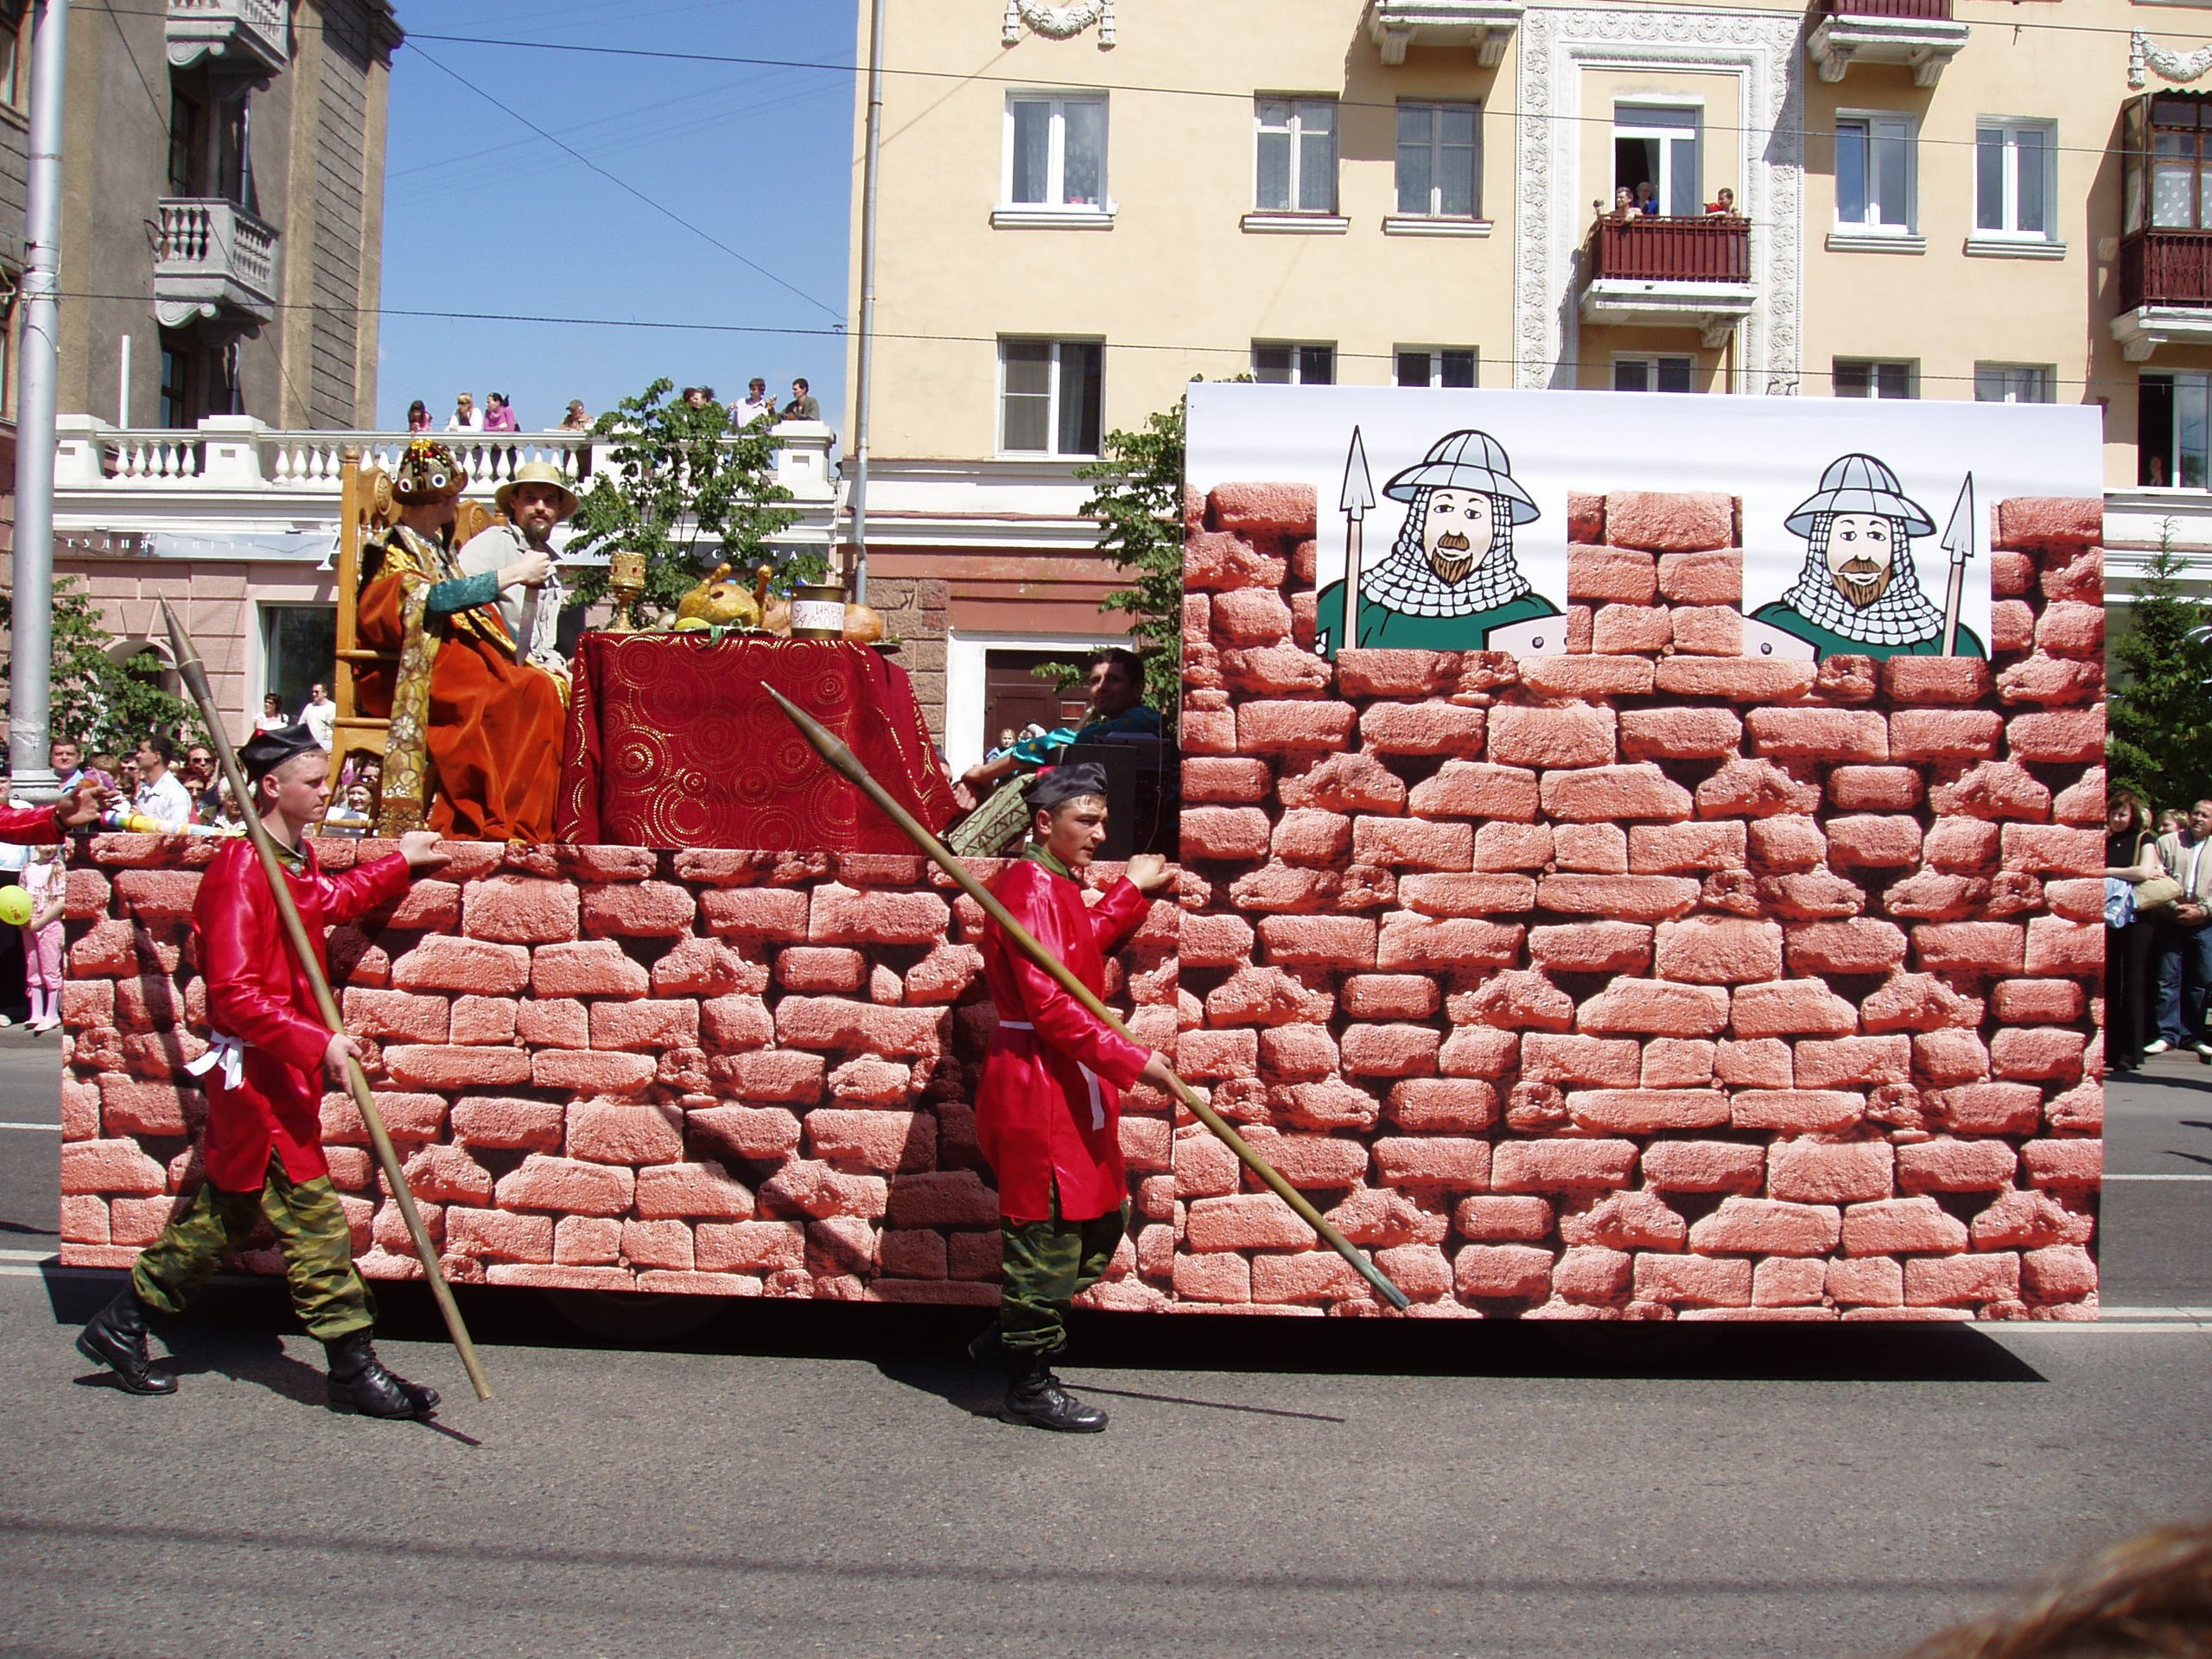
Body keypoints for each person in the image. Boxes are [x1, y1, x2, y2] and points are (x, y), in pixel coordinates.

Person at [73, 723, 451, 1414]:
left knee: (223, 1215)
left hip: (286, 1073)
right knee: (315, 1226)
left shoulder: (292, 857)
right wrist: (320, 1043)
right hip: (258, 1080)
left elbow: (327, 903)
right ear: (272, 786)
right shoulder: (241, 870)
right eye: (314, 781)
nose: (325, 791)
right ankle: (352, 1369)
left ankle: (121, 1324)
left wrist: (402, 862)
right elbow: (234, 997)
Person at [969, 762, 1176, 1431]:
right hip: (1037, 1081)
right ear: (1042, 822)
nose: (1100, 831)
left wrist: (1126, 892)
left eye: (1103, 819)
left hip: (1068, 1076)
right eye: (1086, 819)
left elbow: (1074, 950)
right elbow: (1054, 1005)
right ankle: (1027, 1382)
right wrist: (1135, 1060)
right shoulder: (1026, 889)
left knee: (1098, 1223)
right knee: (1047, 1234)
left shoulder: (1052, 883)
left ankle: (1007, 1335)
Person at [357, 439, 563, 842]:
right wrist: (511, 575)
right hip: (411, 665)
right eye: (453, 495)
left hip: (451, 655)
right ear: (440, 499)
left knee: (539, 688)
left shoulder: (437, 548)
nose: (457, 504)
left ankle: (527, 822)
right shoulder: (394, 547)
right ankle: (489, 820)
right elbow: (425, 600)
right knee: (518, 692)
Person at [1313, 429, 1560, 656]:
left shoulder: (1532, 619)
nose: (1455, 529)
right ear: (1420, 518)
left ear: (1497, 530)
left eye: (1473, 514)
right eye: (1443, 508)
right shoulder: (1348, 604)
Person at [1751, 454, 1988, 661]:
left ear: (1897, 548)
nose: (1863, 553)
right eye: (1847, 535)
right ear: (1822, 546)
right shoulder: (1775, 627)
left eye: (1876, 535)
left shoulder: (1948, 642)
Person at [960, 647, 1162, 801]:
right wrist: (987, 775)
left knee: (1034, 778)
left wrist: (987, 772)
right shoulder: (1108, 726)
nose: (1101, 688)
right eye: (1095, 681)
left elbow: (1056, 742)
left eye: (1113, 679)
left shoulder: (1142, 720)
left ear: (1137, 688)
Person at [457, 459, 576, 680]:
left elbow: (544, 644)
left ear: (558, 509)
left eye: (549, 501)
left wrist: (560, 664)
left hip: (538, 669)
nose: (540, 507)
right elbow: (460, 599)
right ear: (514, 502)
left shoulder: (551, 564)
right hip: (498, 669)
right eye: (530, 498)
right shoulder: (492, 544)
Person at [2107, 788, 2164, 1072]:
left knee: (2133, 983)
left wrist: (2106, 871)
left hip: (2138, 918)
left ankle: (2131, 1051)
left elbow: (2143, 872)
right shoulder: (2106, 841)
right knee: (2109, 982)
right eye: (2113, 813)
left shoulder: (2144, 839)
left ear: (2133, 816)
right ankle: (2110, 1047)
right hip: (2109, 916)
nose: (2117, 819)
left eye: (2122, 814)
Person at [2152, 797, 2212, 1059]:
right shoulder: (2168, 842)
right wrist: (2175, 907)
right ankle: (2167, 1034)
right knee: (2167, 978)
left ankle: (2193, 1035)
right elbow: (2156, 877)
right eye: (2196, 813)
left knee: (2202, 980)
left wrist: (2203, 910)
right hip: (2170, 918)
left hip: (2205, 922)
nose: (2199, 819)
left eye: (2205, 816)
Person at [17, 838, 64, 1033]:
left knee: (50, 968)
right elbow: (19, 895)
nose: (48, 847)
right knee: (33, 967)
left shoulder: (58, 868)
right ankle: (36, 1012)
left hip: (49, 925)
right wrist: (21, 921)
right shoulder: (28, 868)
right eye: (43, 843)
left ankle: (52, 1013)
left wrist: (40, 922)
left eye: (52, 843)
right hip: (29, 925)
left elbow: (61, 901)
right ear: (35, 845)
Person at [131, 736, 194, 832]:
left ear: (156, 757)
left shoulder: (175, 793)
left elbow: (177, 833)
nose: (138, 756)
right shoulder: (144, 792)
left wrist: (143, 823)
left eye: (142, 752)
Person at [181, 742, 221, 823]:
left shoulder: (221, 792)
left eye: (207, 760)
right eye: (197, 760)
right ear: (188, 764)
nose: (203, 763)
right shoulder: (179, 790)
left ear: (214, 765)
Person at [301, 683, 336, 753]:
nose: (314, 694)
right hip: (311, 745)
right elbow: (301, 725)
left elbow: (335, 729)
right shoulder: (309, 707)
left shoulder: (332, 707)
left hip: (327, 746)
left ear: (325, 693)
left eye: (316, 692)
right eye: (312, 692)